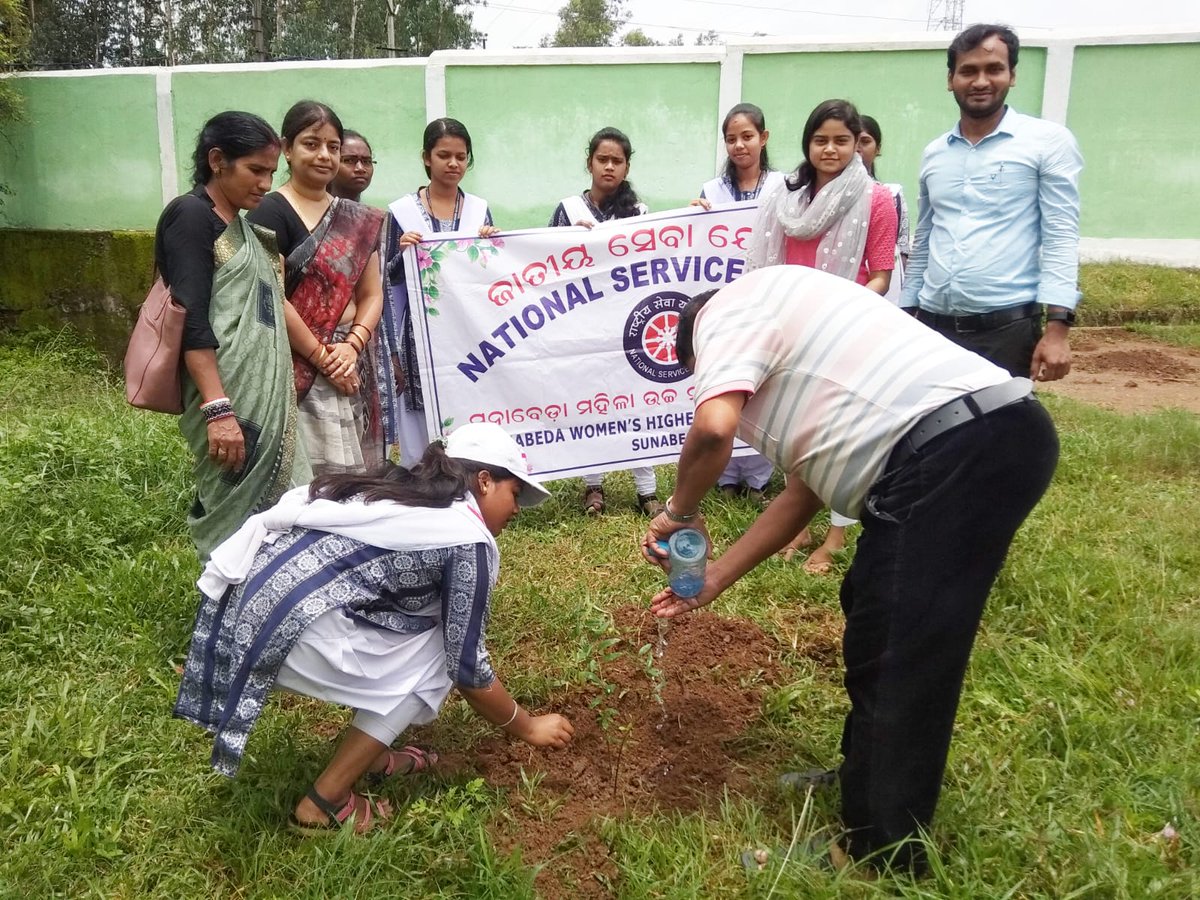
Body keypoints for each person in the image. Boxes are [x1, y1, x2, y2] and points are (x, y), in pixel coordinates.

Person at [641, 266, 1058, 873]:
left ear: (695, 346)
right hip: (981, 437)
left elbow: (713, 427)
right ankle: (865, 777)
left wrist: (678, 512)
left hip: (954, 449)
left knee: (901, 651)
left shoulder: (723, 313)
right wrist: (712, 582)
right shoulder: (785, 318)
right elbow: (801, 496)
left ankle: (880, 850)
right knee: (871, 607)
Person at [174, 422, 575, 834]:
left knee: (423, 632)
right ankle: (323, 804)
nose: (516, 509)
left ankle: (373, 756)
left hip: (242, 611)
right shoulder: (467, 540)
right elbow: (467, 667)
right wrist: (528, 726)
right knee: (440, 652)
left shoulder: (410, 494)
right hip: (281, 628)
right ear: (486, 482)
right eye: (514, 494)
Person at [748, 99, 899, 573]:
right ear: (807, 144)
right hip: (791, 328)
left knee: (837, 430)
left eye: (841, 140)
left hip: (846, 330)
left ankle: (836, 534)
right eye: (820, 140)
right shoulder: (788, 198)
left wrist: (842, 311)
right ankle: (798, 523)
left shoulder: (876, 199)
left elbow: (881, 273)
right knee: (796, 425)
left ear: (858, 144)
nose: (829, 150)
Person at [154, 110, 311, 564]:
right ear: (217, 160)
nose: (265, 184)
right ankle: (224, 600)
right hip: (222, 390)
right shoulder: (190, 216)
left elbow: (272, 312)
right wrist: (218, 408)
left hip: (265, 394)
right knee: (228, 493)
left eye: (270, 172)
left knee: (287, 506)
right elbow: (192, 318)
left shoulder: (251, 233)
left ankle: (271, 601)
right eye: (255, 170)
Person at [902, 24, 1083, 380]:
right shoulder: (935, 153)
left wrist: (1058, 328)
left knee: (999, 434)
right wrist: (907, 312)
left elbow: (1061, 236)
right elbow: (924, 239)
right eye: (968, 71)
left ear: (1012, 75)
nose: (980, 81)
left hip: (1007, 331)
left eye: (994, 69)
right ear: (950, 79)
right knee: (934, 434)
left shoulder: (1047, 142)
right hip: (934, 329)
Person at [248, 100, 386, 477]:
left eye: (333, 146)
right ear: (287, 149)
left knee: (360, 483)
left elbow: (372, 294)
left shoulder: (356, 218)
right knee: (311, 483)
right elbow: (271, 296)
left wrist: (351, 346)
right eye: (312, 144)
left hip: (352, 357)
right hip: (300, 364)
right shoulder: (268, 212)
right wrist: (325, 358)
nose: (324, 155)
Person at [549, 127, 662, 517]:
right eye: (603, 160)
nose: (609, 167)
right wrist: (570, 242)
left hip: (628, 323)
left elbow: (651, 266)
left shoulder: (640, 213)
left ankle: (646, 490)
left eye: (617, 161)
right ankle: (592, 485)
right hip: (582, 322)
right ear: (589, 163)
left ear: (627, 165)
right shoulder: (568, 211)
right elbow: (544, 265)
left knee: (635, 400)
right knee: (590, 401)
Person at [380, 118, 499, 468]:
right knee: (420, 405)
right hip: (418, 333)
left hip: (467, 330)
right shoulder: (400, 213)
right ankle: (420, 478)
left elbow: (489, 274)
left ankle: (464, 477)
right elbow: (384, 278)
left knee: (466, 396)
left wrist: (492, 244)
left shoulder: (478, 210)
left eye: (461, 156)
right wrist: (403, 253)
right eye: (444, 155)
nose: (453, 164)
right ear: (426, 158)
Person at [691, 103, 785, 507]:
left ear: (763, 138)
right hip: (725, 303)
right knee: (726, 382)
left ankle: (758, 478)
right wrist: (693, 217)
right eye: (731, 138)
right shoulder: (711, 192)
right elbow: (690, 241)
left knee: (766, 386)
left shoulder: (785, 186)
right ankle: (725, 475)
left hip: (771, 301)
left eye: (747, 136)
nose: (739, 145)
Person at [857, 115, 911, 306]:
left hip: (887, 286)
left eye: (865, 141)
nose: (858, 148)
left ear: (877, 148)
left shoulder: (891, 195)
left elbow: (903, 247)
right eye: (851, 141)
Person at [330, 129, 375, 202]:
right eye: (349, 160)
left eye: (367, 161)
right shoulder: (310, 212)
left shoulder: (372, 213)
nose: (360, 168)